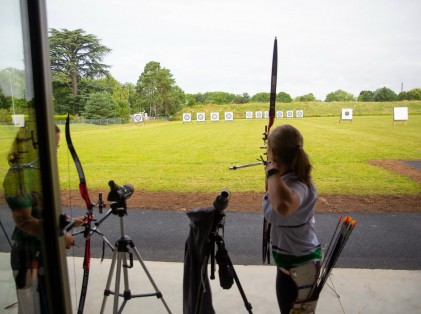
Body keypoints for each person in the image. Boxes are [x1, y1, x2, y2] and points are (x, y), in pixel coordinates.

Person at [3, 124, 84, 313]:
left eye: (56, 148)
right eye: (52, 147)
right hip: (28, 255)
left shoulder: (37, 172)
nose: (54, 153)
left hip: (43, 252)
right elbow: (25, 221)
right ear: (34, 145)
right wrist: (59, 236)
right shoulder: (18, 177)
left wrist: (67, 222)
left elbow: (41, 213)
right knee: (32, 308)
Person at [262, 124, 321, 314]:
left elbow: (283, 206)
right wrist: (273, 172)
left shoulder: (299, 184)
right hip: (292, 263)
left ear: (273, 152)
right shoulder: (288, 178)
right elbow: (274, 196)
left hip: (298, 267)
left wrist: (271, 170)